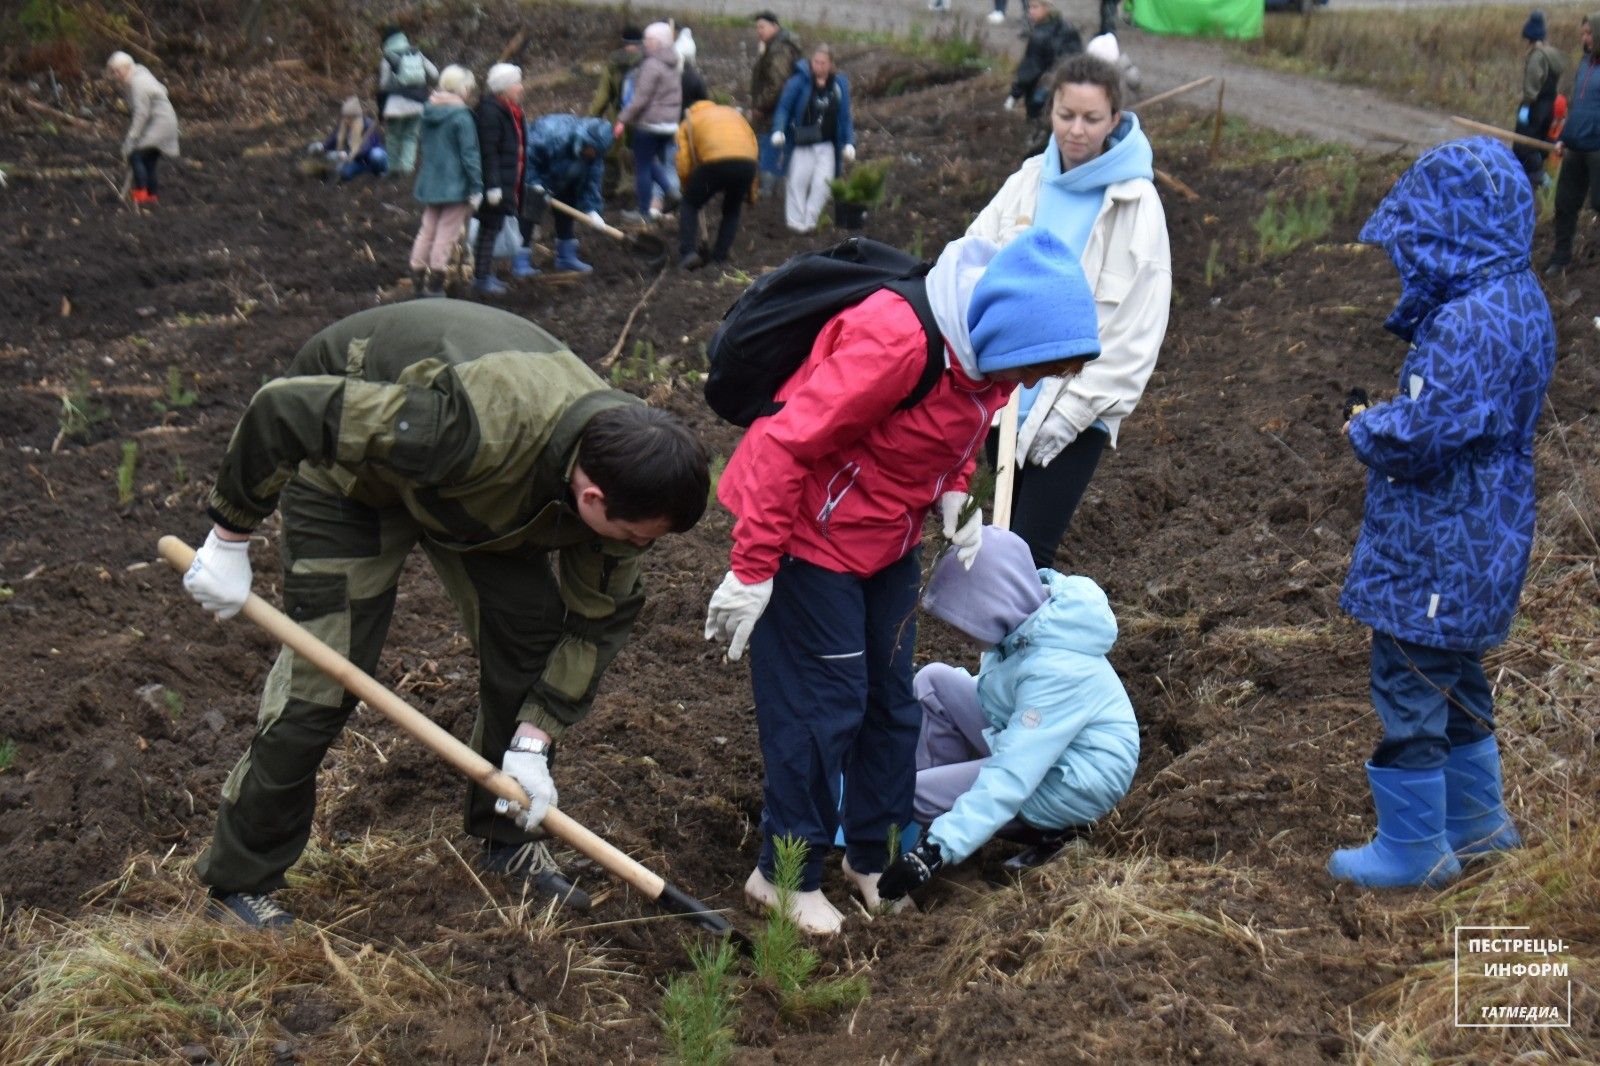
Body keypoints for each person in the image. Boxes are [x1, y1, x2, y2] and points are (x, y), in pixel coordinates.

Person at [179, 300, 712, 929]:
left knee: (532, 648)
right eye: (637, 536)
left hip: (478, 499)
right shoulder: (467, 425)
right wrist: (230, 536)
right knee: (325, 681)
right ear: (592, 497)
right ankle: (241, 882)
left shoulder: (624, 466)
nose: (638, 549)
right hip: (354, 475)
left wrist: (535, 740)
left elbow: (594, 622)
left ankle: (506, 838)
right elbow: (282, 409)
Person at [703, 228, 1104, 934]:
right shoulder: (895, 341)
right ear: (1005, 330)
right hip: (810, 537)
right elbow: (784, 440)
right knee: (823, 706)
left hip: (887, 538)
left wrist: (951, 490)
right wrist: (752, 566)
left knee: (891, 703)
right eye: (1035, 367)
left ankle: (873, 853)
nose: (1031, 384)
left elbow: (948, 432)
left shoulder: (990, 361)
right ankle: (781, 875)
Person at [1328, 138, 1555, 890]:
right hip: (1488, 530)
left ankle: (1414, 849)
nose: (1409, 257)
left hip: (1438, 538)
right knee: (1455, 673)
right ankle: (1479, 825)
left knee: (1409, 677)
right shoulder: (1519, 298)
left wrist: (1368, 426)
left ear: (1454, 233)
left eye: (1421, 239)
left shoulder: (1466, 323)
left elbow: (1428, 433)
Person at [969, 54, 1171, 569]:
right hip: (1009, 394)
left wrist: (1077, 412)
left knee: (1031, 551)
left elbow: (1138, 327)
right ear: (1051, 111)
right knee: (1000, 537)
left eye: (1091, 119)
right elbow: (974, 258)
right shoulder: (1028, 181)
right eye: (1065, 115)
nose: (1075, 130)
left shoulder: (1134, 202)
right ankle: (1001, 648)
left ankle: (1030, 647)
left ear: (1115, 119)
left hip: (1079, 408)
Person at [876, 528, 1139, 902]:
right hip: (1046, 745)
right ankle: (945, 823)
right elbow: (1003, 696)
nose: (958, 635)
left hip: (1075, 780)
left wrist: (932, 852)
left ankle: (969, 848)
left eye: (963, 622)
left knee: (916, 794)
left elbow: (1013, 775)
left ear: (994, 606)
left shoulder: (1054, 671)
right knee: (934, 682)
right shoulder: (1025, 625)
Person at [409, 65, 482, 298]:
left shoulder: (428, 111)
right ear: (461, 89)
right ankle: (435, 285)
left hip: (430, 182)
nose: (470, 92)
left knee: (427, 230)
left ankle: (417, 280)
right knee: (446, 235)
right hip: (455, 186)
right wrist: (477, 187)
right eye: (469, 88)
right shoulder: (461, 116)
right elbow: (469, 154)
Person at [771, 45, 856, 234]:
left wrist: (849, 141)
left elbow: (845, 116)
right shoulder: (799, 81)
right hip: (803, 142)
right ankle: (795, 223)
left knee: (823, 185)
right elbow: (784, 107)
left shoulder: (839, 85)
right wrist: (779, 129)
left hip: (826, 144)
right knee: (797, 182)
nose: (819, 66)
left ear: (831, 64)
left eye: (823, 63)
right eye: (815, 62)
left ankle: (810, 222)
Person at [675, 96, 758, 271]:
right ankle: (719, 258)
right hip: (746, 163)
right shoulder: (733, 115)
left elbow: (683, 160)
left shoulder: (689, 121)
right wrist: (752, 192)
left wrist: (687, 186)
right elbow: (753, 146)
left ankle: (688, 252)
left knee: (690, 204)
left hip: (715, 161)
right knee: (732, 210)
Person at [525, 114, 615, 273]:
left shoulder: (594, 156)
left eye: (597, 153)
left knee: (567, 208)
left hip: (566, 178)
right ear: (584, 140)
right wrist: (535, 184)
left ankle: (566, 257)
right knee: (529, 214)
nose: (592, 154)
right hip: (541, 173)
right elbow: (528, 157)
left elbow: (591, 183)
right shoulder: (553, 134)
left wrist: (592, 210)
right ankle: (522, 261)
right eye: (592, 149)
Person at [471, 63, 529, 296]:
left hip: (507, 180)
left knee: (492, 228)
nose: (521, 87)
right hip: (494, 184)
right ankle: (481, 278)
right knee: (489, 227)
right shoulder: (491, 113)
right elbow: (489, 152)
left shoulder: (510, 111)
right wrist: (493, 185)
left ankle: (485, 274)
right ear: (504, 87)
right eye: (517, 83)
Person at [616, 22, 682, 224]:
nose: (644, 43)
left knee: (642, 166)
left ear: (658, 42)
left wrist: (622, 119)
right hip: (669, 125)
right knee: (651, 161)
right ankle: (671, 192)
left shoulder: (651, 65)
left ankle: (644, 211)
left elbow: (640, 99)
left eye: (648, 40)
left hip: (650, 124)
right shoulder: (673, 62)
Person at [1549, 12, 1600, 276]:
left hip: (1598, 149)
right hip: (1576, 146)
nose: (1585, 38)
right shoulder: (1584, 64)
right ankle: (1561, 258)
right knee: (1565, 203)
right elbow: (1577, 108)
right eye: (1583, 33)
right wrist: (1563, 138)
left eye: (1589, 33)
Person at [106, 51, 179, 206]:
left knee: (136, 156)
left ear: (126, 68)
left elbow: (141, 114)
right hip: (163, 122)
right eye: (113, 72)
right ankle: (151, 197)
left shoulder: (137, 83)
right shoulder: (139, 77)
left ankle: (140, 196)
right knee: (149, 162)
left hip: (160, 124)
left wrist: (131, 138)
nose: (115, 75)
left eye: (116, 71)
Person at [588, 25, 644, 201]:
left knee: (612, 154)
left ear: (624, 41)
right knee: (643, 154)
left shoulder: (613, 63)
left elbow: (602, 97)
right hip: (643, 116)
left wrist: (591, 118)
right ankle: (641, 194)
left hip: (618, 116)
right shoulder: (649, 61)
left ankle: (608, 192)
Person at [750, 12, 803, 197]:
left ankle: (768, 191)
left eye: (762, 27)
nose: (759, 31)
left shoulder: (780, 50)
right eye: (757, 27)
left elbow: (777, 84)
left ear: (775, 26)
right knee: (771, 147)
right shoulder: (773, 46)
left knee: (769, 148)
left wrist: (760, 105)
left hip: (774, 111)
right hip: (774, 110)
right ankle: (769, 189)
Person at [1005, 0, 1083, 125]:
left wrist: (1014, 94)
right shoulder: (1069, 27)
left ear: (1047, 7)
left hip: (1042, 92)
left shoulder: (1039, 36)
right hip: (1068, 87)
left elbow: (1030, 69)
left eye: (1035, 7)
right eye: (1029, 7)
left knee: (1037, 125)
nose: (1030, 11)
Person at [377, 27, 439, 177]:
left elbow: (383, 85)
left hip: (395, 105)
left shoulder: (388, 57)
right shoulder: (416, 53)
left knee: (393, 136)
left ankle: (393, 168)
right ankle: (407, 169)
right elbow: (435, 74)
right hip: (418, 103)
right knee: (410, 136)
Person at [1516, 11, 1566, 188]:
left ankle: (1542, 182)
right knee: (1540, 144)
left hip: (1535, 107)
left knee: (1523, 145)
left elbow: (1532, 84)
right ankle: (1536, 183)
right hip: (1549, 106)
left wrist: (1525, 107)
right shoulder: (1552, 54)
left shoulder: (1537, 56)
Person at [312, 96, 388, 182]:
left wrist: (345, 154)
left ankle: (383, 171)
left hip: (370, 156)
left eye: (349, 118)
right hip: (357, 161)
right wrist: (322, 146)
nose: (347, 121)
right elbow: (334, 138)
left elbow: (365, 149)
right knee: (345, 173)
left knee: (377, 156)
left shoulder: (368, 126)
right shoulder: (344, 126)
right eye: (345, 117)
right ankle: (367, 172)